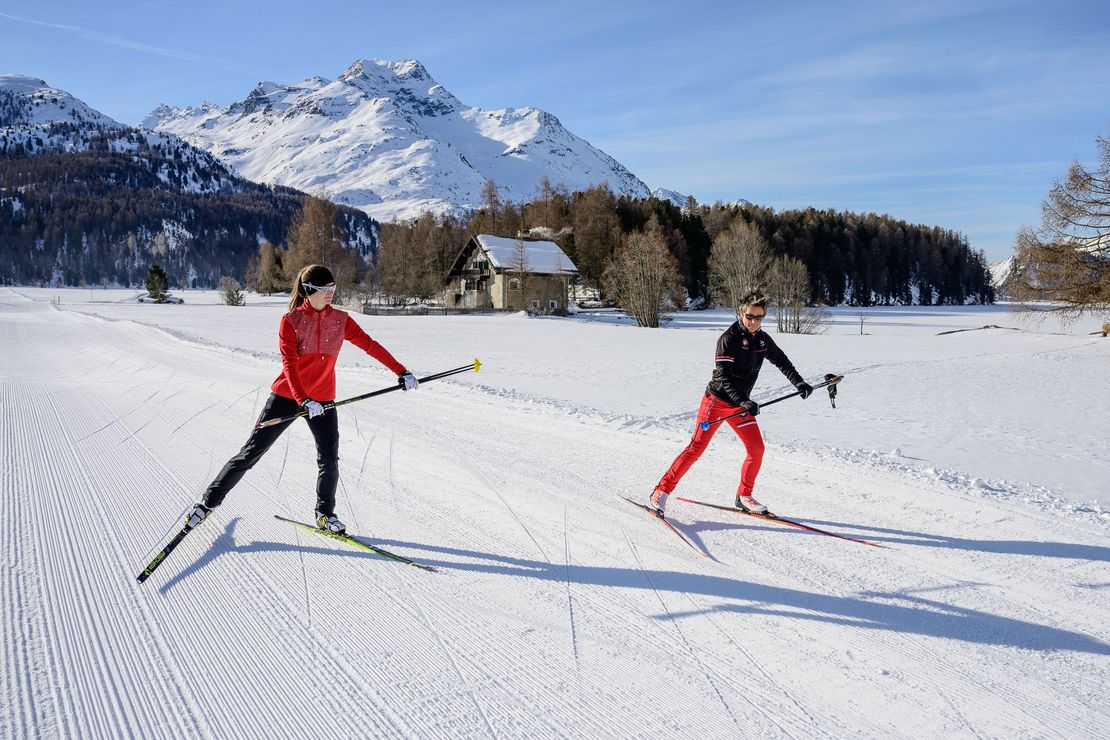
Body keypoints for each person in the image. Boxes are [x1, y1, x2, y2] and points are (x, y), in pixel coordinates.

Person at [184, 264, 418, 534]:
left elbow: (370, 345)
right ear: (308, 291)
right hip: (287, 396)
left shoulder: (341, 320)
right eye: (323, 289)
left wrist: (401, 371)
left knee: (329, 459)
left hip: (324, 400)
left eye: (332, 288)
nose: (330, 293)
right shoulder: (291, 321)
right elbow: (290, 366)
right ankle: (207, 504)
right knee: (251, 453)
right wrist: (304, 400)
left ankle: (324, 514)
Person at [648, 291, 813, 516]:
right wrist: (744, 401)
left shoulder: (763, 340)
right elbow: (724, 378)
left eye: (759, 317)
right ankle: (661, 491)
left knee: (756, 449)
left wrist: (799, 382)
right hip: (716, 402)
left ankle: (744, 496)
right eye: (750, 316)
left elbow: (781, 360)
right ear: (741, 312)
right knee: (696, 448)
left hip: (739, 407)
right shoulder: (729, 339)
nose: (754, 322)